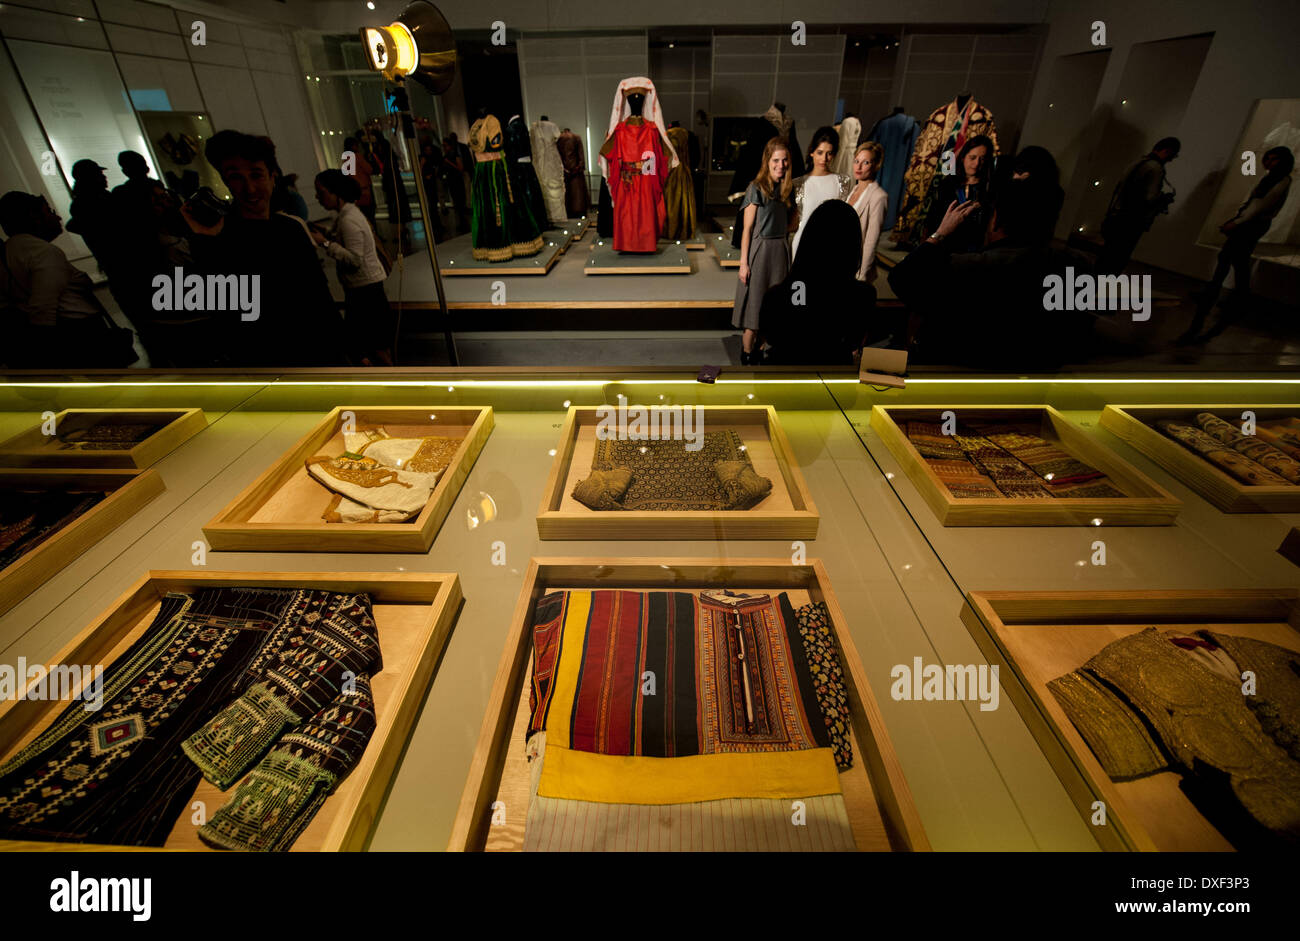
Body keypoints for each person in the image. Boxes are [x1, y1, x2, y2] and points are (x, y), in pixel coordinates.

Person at [889, 177, 1092, 369]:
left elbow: (901, 278)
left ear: (995, 220)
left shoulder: (968, 267)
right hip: (1028, 387)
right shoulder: (1074, 268)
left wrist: (939, 234)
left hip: (951, 379)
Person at [179, 130, 343, 366]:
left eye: (256, 175)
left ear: (272, 177)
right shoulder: (218, 236)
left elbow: (319, 299)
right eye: (236, 178)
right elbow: (223, 311)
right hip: (262, 360)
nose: (249, 189)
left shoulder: (290, 229)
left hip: (315, 355)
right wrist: (205, 241)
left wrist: (347, 353)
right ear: (226, 181)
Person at [0, 192, 131, 368]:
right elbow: (43, 309)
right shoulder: (43, 252)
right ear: (34, 217)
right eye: (49, 211)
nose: (58, 217)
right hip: (80, 336)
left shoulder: (10, 250)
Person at [1179, 145, 1295, 344]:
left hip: (1252, 224)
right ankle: (1233, 297)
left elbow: (1260, 204)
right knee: (1233, 258)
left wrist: (1238, 222)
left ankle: (1232, 297)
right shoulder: (1276, 179)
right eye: (1267, 158)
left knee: (1233, 258)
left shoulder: (1278, 180)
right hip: (1252, 222)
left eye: (1273, 159)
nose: (1267, 162)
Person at [760, 200, 880, 365]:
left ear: (808, 240)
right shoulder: (864, 296)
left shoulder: (777, 296)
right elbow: (853, 341)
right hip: (835, 379)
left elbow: (772, 336)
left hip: (785, 377)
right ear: (852, 245)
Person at [312, 169, 395, 366]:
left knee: (373, 344)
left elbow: (355, 259)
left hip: (364, 290)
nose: (318, 197)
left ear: (335, 192)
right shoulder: (347, 214)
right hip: (364, 288)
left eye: (321, 192)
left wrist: (325, 244)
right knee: (373, 343)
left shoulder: (349, 219)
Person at [731, 138, 794, 365]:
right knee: (755, 303)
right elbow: (746, 229)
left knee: (775, 305)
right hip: (760, 250)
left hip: (780, 250)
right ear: (767, 161)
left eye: (784, 160)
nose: (781, 165)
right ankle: (747, 351)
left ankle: (762, 346)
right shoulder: (756, 188)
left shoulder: (788, 190)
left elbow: (790, 223)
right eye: (776, 160)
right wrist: (743, 263)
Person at [1098, 136, 1180, 274]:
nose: (1172, 159)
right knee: (1118, 260)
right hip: (1132, 221)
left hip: (1116, 215)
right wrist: (1164, 199)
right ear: (1167, 151)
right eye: (1173, 155)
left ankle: (1092, 287)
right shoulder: (1156, 168)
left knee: (1107, 256)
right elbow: (1150, 197)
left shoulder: (1138, 162)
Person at [923, 134, 994, 253]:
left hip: (971, 252)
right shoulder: (948, 184)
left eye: (982, 159)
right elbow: (932, 219)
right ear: (963, 157)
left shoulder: (988, 189)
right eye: (972, 157)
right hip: (944, 247)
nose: (976, 164)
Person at [790, 126, 853, 258]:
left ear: (834, 154)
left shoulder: (842, 182)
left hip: (831, 246)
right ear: (812, 152)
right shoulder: (799, 183)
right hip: (802, 245)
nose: (824, 158)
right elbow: (795, 221)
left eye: (829, 153)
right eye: (820, 152)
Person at [845, 142, 888, 282]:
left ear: (876, 165)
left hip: (856, 267)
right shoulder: (852, 190)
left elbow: (871, 241)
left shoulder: (879, 196)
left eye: (866, 162)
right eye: (857, 161)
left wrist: (861, 277)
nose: (858, 167)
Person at [343, 136, 377, 225]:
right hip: (364, 189)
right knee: (370, 214)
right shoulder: (357, 156)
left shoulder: (346, 158)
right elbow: (369, 169)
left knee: (362, 216)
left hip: (354, 191)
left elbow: (346, 175)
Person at [441, 135, 470, 234]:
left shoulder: (454, 155)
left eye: (445, 146)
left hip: (457, 180)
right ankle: (461, 222)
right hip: (451, 181)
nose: (444, 148)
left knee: (460, 201)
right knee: (456, 202)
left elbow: (460, 168)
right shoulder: (446, 156)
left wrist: (449, 163)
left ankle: (463, 222)